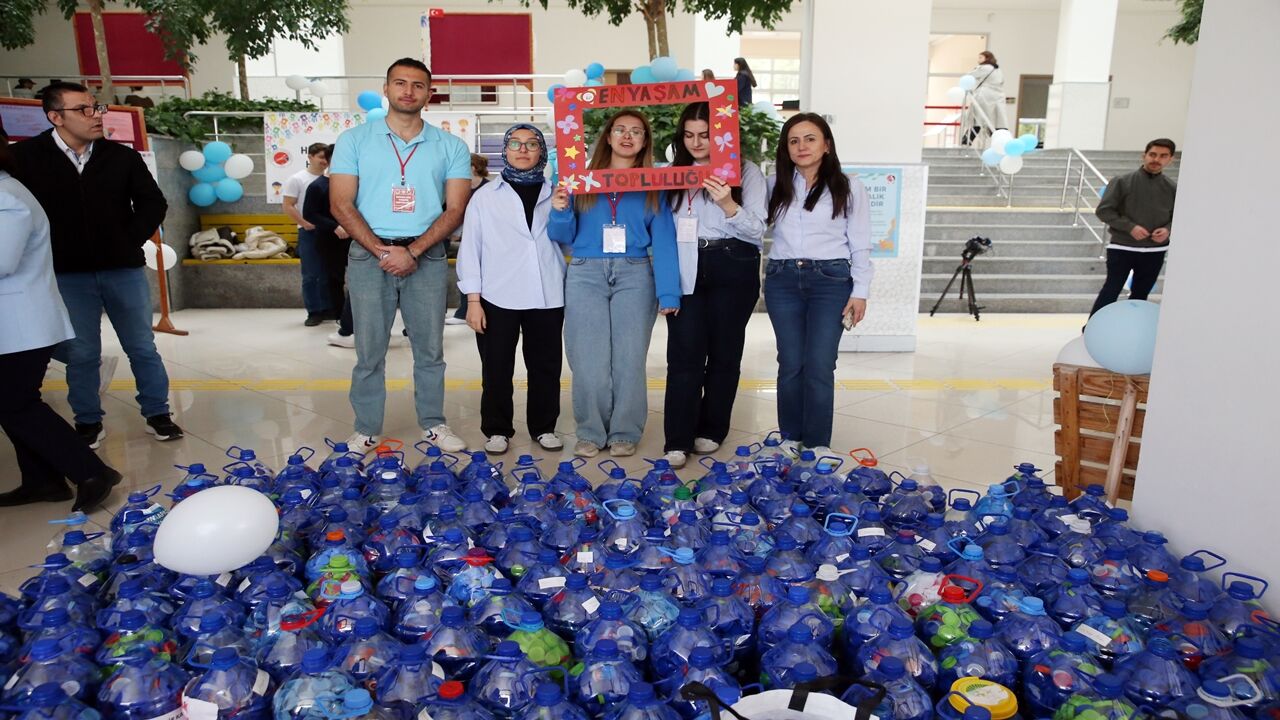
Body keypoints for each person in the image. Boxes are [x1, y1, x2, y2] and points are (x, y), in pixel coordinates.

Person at [12, 82, 182, 449]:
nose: (96, 116)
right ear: (55, 117)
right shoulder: (25, 158)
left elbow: (153, 202)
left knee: (142, 346)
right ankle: (88, 420)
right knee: (82, 352)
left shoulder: (120, 157)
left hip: (123, 269)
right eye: (83, 110)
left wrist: (128, 239)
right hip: (66, 274)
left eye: (97, 107)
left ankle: (158, 413)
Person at [329, 58, 472, 454]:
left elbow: (455, 209)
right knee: (368, 351)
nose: (408, 91)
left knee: (430, 350)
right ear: (386, 88)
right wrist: (382, 250)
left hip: (426, 256)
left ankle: (434, 423)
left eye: (418, 85)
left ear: (429, 93)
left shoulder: (451, 146)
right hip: (368, 255)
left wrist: (412, 251)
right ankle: (365, 428)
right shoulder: (354, 140)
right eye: (400, 83)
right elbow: (340, 204)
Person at [0, 134, 123, 511]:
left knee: (16, 403)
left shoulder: (7, 197)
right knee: (10, 403)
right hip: (14, 325)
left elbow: (3, 262)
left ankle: (92, 472)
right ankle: (42, 480)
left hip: (22, 325)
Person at [548, 110, 680, 458]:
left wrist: (668, 291)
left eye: (636, 131)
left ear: (645, 141)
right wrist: (560, 209)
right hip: (585, 271)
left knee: (629, 359)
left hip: (635, 273)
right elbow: (561, 235)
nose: (627, 136)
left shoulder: (653, 184)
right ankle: (591, 430)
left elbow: (664, 238)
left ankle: (624, 430)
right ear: (607, 137)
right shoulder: (580, 180)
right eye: (620, 129)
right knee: (587, 359)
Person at [661, 103, 767, 468]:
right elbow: (661, 229)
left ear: (722, 135)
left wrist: (728, 204)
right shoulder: (672, 174)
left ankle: (712, 428)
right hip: (686, 263)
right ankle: (677, 438)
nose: (696, 143)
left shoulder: (747, 171)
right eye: (689, 135)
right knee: (683, 354)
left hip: (733, 261)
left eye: (705, 135)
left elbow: (758, 229)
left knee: (725, 354)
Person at [764, 112, 872, 455]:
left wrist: (861, 291)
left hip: (831, 281)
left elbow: (860, 243)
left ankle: (816, 443)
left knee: (820, 364)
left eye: (810, 138)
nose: (802, 146)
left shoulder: (849, 186)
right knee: (790, 362)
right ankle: (790, 438)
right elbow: (753, 224)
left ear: (826, 144)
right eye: (794, 141)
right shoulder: (773, 184)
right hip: (782, 279)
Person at [456, 124, 565, 455]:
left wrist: (563, 210)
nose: (523, 150)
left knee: (546, 366)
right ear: (504, 151)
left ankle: (544, 427)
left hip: (547, 292)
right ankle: (497, 429)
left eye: (531, 144)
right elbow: (470, 249)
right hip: (497, 294)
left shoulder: (558, 193)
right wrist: (473, 300)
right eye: (515, 143)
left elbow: (568, 238)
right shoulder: (485, 196)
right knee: (496, 366)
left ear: (542, 151)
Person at [1088, 138, 1178, 318]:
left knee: (1141, 294)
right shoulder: (1122, 181)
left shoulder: (1172, 188)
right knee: (1111, 289)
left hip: (1155, 250)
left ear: (1170, 159)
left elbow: (1178, 216)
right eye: (1152, 154)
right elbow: (1104, 211)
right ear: (1144, 155)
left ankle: (1131, 329)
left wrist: (1167, 229)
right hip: (1122, 247)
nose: (1156, 159)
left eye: (1163, 156)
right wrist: (1130, 227)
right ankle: (1092, 327)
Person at [300, 144, 357, 349]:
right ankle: (340, 318)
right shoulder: (317, 186)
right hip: (328, 240)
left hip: (355, 239)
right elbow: (310, 214)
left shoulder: (354, 183)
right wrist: (334, 227)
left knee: (359, 279)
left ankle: (354, 318)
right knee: (333, 278)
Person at [284, 143, 335, 326]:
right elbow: (288, 205)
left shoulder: (332, 179)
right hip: (309, 232)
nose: (324, 161)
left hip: (329, 231)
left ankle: (328, 307)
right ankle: (314, 311)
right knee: (311, 274)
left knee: (328, 272)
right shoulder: (297, 179)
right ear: (310, 157)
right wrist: (304, 223)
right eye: (320, 157)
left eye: (326, 158)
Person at [445, 153, 491, 326]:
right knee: (465, 272)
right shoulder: (460, 187)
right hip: (465, 237)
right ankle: (463, 312)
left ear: (473, 167)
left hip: (484, 239)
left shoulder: (488, 189)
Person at [963, 51, 1008, 144]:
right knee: (996, 122)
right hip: (997, 97)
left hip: (984, 97)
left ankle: (966, 141)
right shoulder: (998, 70)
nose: (978, 59)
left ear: (987, 58)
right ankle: (1003, 142)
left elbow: (970, 75)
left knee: (978, 120)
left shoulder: (984, 68)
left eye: (980, 57)